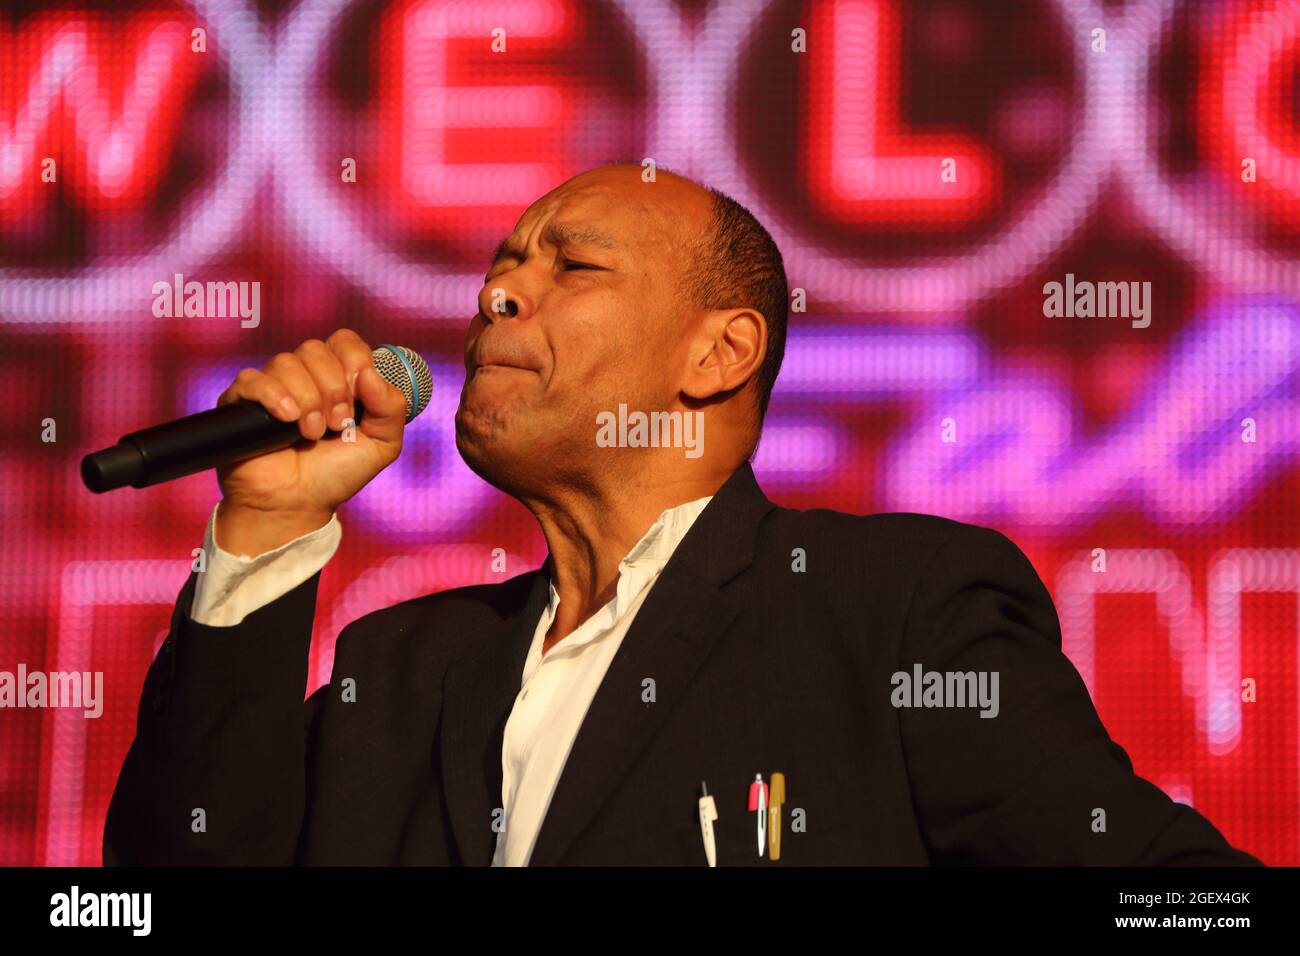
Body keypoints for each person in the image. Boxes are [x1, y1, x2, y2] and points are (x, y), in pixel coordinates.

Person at [104, 164, 1261, 866]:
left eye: (574, 265)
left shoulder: (894, 611)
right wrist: (262, 533)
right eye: (505, 262)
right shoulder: (399, 669)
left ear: (718, 353)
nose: (498, 289)